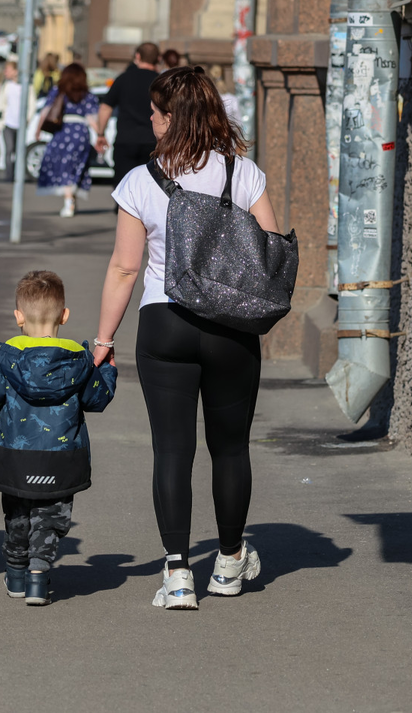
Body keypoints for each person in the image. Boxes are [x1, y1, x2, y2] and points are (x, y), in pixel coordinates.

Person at [93, 66, 281, 610]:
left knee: (172, 449)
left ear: (173, 117)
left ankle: (177, 575)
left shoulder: (140, 181)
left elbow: (126, 270)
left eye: (155, 112)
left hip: (164, 323)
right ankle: (227, 563)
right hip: (230, 328)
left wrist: (103, 339)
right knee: (230, 447)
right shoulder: (242, 175)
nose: (149, 119)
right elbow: (268, 247)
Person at [0, 270, 117, 605]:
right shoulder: (78, 360)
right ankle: (38, 576)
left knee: (17, 514)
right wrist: (107, 369)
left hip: (13, 456)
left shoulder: (6, 359)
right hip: (61, 457)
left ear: (18, 318)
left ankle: (16, 574)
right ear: (64, 315)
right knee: (50, 517)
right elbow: (98, 399)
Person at [34, 62, 99, 217]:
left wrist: (38, 130)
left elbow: (46, 111)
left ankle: (68, 202)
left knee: (64, 166)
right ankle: (72, 201)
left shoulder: (58, 91)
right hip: (81, 134)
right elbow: (91, 118)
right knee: (77, 167)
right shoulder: (87, 95)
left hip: (63, 132)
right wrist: (100, 135)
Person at [95, 42, 160, 199]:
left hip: (126, 140)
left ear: (138, 56)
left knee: (124, 188)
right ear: (157, 58)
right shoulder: (161, 81)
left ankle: (124, 219)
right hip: (154, 142)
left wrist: (100, 133)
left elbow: (105, 107)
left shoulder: (124, 79)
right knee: (150, 190)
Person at [0, 59, 21, 181]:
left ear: (16, 71)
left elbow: (31, 104)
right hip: (7, 123)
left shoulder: (25, 86)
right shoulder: (4, 86)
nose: (5, 72)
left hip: (21, 125)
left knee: (18, 151)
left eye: (8, 70)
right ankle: (9, 176)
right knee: (9, 149)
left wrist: (28, 120)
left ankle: (18, 175)